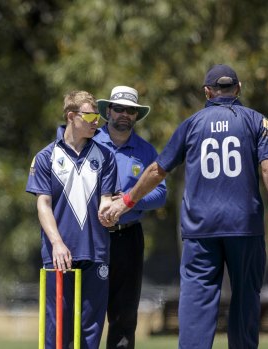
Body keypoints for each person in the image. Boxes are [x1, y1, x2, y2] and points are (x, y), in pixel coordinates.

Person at [102, 64, 268, 349]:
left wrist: (127, 201)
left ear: (207, 91)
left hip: (201, 229)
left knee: (197, 305)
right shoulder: (256, 121)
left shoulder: (191, 124)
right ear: (238, 89)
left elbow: (157, 171)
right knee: (245, 301)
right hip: (244, 226)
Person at [26, 90, 117, 349]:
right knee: (57, 331)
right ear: (71, 116)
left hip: (96, 251)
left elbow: (106, 200)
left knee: (90, 330)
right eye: (89, 115)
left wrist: (110, 212)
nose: (95, 120)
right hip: (58, 254)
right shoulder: (46, 157)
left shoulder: (106, 157)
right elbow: (43, 204)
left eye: (97, 115)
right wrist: (56, 243)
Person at [94, 86, 167, 349]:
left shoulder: (146, 152)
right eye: (120, 109)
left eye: (131, 111)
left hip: (129, 236)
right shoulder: (89, 143)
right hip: (91, 236)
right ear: (108, 111)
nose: (125, 114)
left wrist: (128, 201)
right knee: (86, 311)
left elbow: (161, 194)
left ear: (136, 116)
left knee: (124, 315)